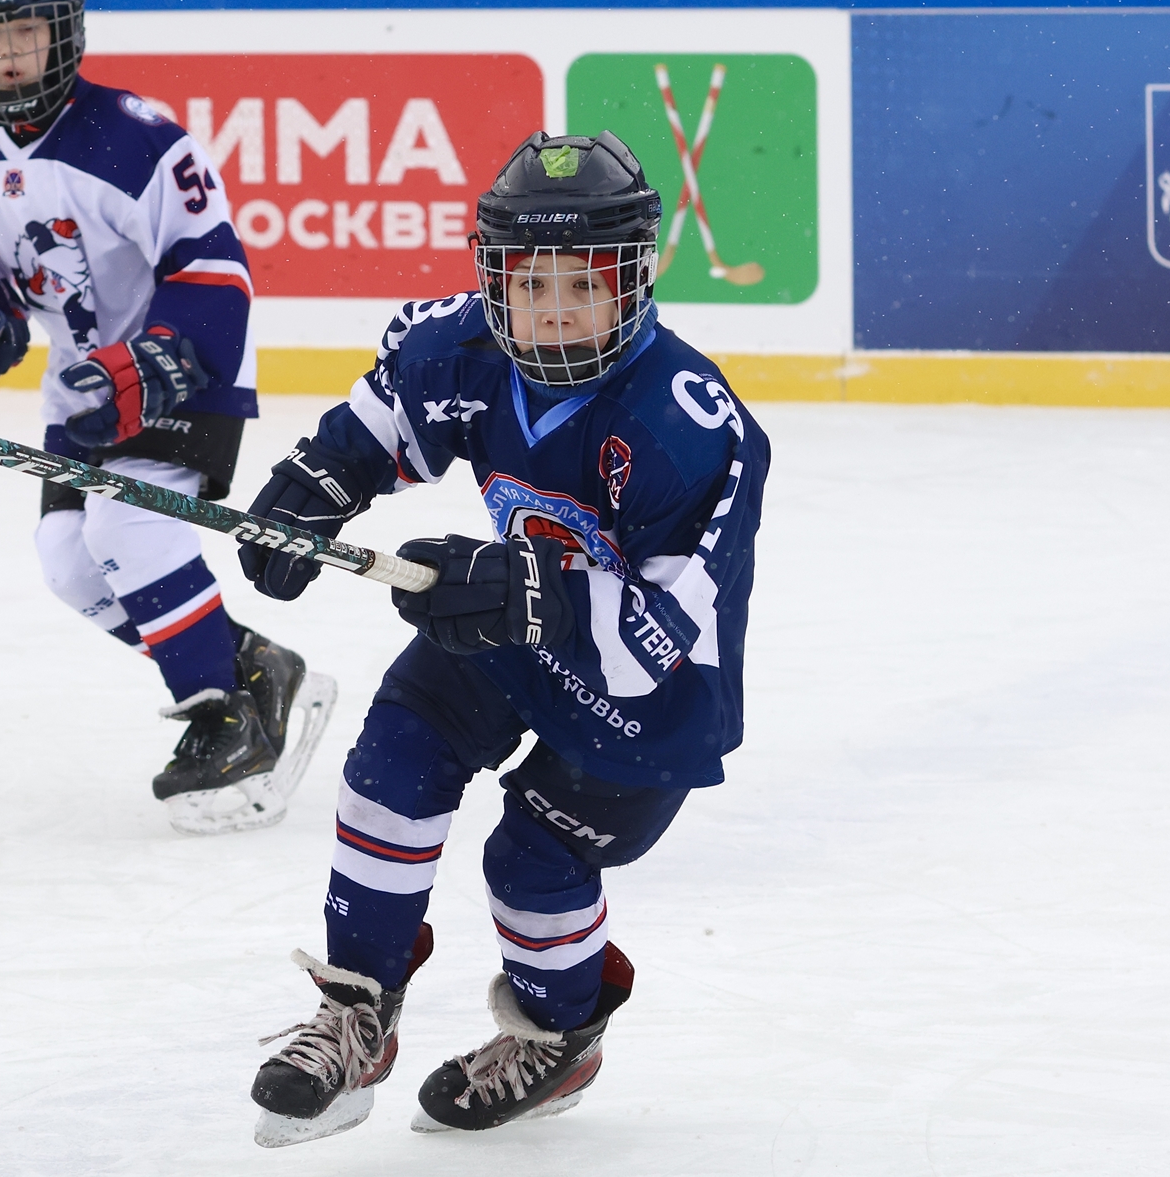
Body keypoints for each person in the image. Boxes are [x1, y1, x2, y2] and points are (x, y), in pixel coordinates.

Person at [236, 131, 770, 1144]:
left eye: (584, 282)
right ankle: (356, 1010)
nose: (555, 308)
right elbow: (386, 419)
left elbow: (647, 643)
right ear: (493, 279)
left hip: (647, 694)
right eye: (531, 284)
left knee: (529, 869)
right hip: (509, 627)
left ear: (634, 280)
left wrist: (528, 590)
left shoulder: (686, 424)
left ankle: (563, 1034)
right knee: (389, 766)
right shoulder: (460, 348)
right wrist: (315, 489)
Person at [0, 0, 330, 834]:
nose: (11, 54)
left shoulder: (138, 138)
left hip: (189, 375)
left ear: (64, 34)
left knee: (128, 529)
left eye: (28, 31)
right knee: (69, 563)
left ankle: (221, 717)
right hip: (78, 387)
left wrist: (162, 361)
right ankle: (252, 666)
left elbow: (217, 275)